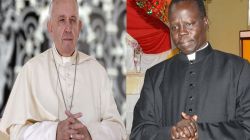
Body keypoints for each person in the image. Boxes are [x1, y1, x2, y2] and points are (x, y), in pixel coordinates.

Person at [0, 0, 126, 139]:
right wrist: (54, 132)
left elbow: (118, 128)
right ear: (50, 26)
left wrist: (91, 134)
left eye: (73, 20)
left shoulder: (97, 71)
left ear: (79, 27)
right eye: (61, 20)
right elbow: (16, 133)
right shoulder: (31, 70)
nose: (68, 28)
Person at [130, 0, 250, 139]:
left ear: (205, 22)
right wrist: (172, 133)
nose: (182, 32)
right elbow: (139, 132)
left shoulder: (238, 69)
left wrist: (200, 131)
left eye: (189, 24)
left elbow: (247, 127)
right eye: (175, 27)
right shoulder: (155, 75)